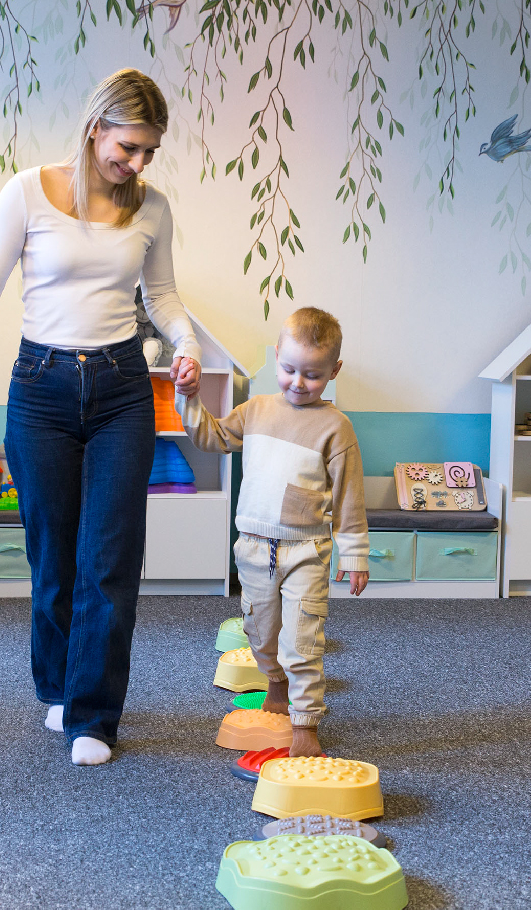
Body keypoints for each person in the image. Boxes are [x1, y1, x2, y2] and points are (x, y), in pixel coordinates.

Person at [0, 68, 202, 766]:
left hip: (122, 389)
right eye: (128, 147)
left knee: (110, 557)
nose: (137, 164)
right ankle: (57, 687)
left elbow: (162, 296)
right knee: (52, 556)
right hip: (40, 389)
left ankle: (93, 717)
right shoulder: (25, 192)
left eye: (148, 152)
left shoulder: (153, 208)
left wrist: (187, 344)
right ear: (95, 128)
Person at [174, 307, 368, 757]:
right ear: (277, 355)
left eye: (313, 375)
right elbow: (211, 437)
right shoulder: (256, 410)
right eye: (289, 369)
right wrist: (189, 398)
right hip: (254, 547)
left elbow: (349, 497)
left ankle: (305, 726)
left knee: (302, 640)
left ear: (334, 370)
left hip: (307, 550)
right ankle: (275, 684)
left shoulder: (336, 428)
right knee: (261, 633)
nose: (298, 382)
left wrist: (355, 554)